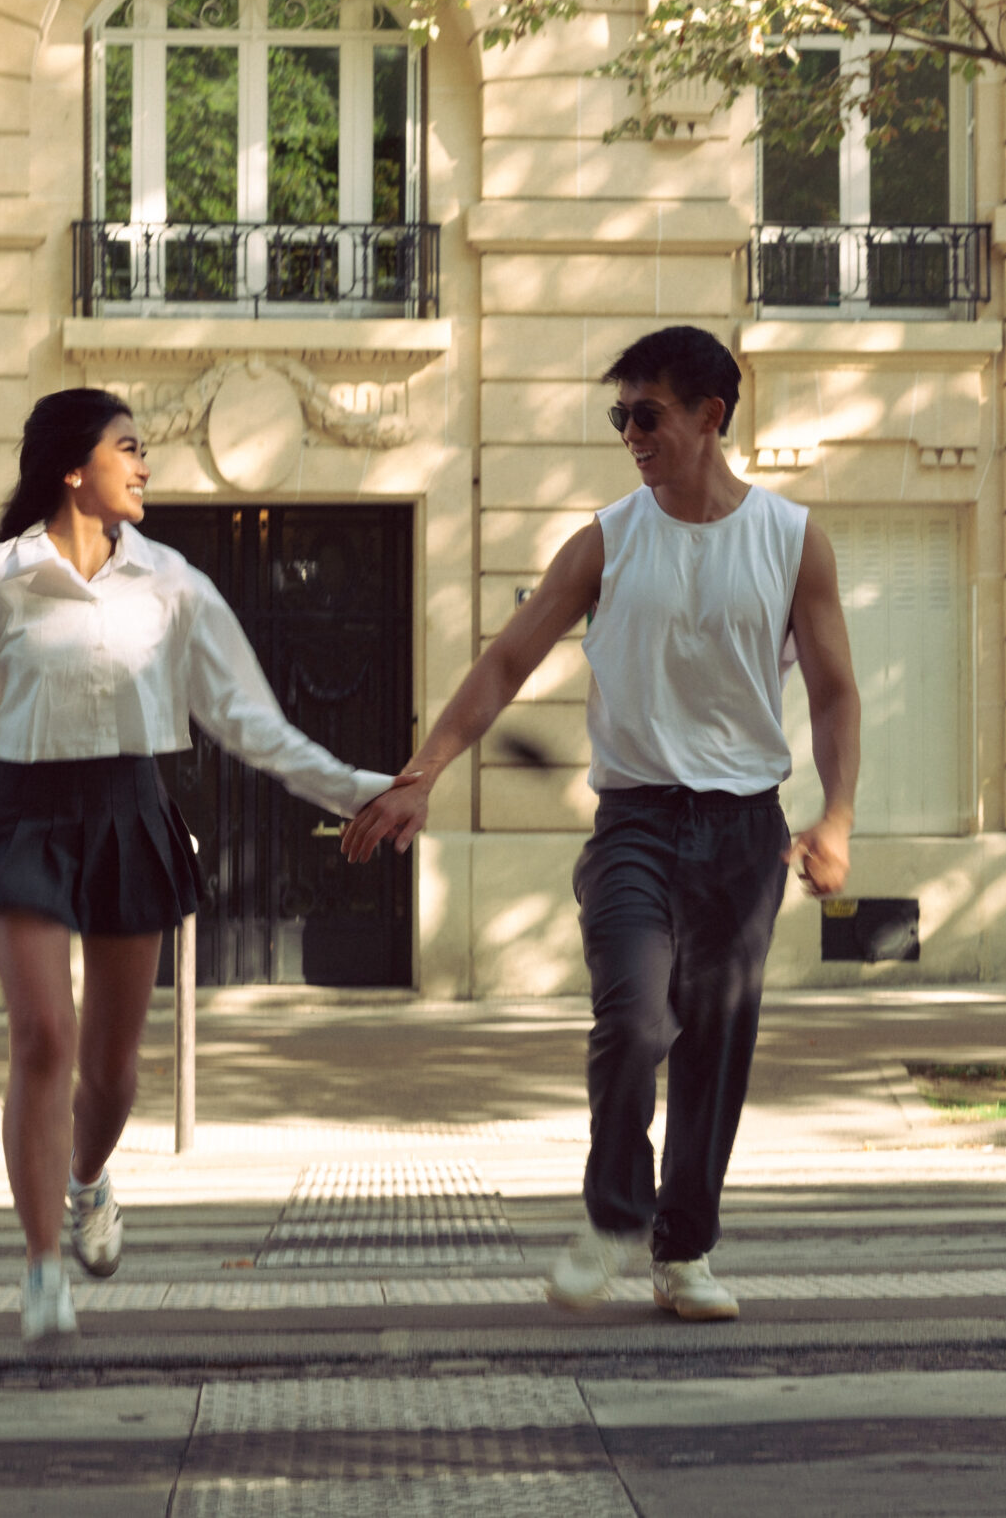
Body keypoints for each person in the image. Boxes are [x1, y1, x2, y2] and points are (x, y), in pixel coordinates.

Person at [342, 325, 860, 1321]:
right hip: (635, 823)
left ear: (710, 416)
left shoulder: (793, 540)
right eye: (619, 414)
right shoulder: (608, 538)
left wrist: (834, 815)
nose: (629, 431)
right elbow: (504, 662)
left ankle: (684, 1250)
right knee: (633, 1016)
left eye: (647, 413)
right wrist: (422, 772)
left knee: (714, 1042)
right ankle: (615, 1212)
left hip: (747, 831)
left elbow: (836, 692)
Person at [0, 388, 393, 1343]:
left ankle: (88, 1182)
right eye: (129, 448)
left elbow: (250, 721)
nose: (144, 466)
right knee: (42, 1038)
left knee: (110, 1071)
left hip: (128, 813)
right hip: (24, 815)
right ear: (74, 468)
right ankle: (38, 1266)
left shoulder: (173, 583)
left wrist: (358, 788)